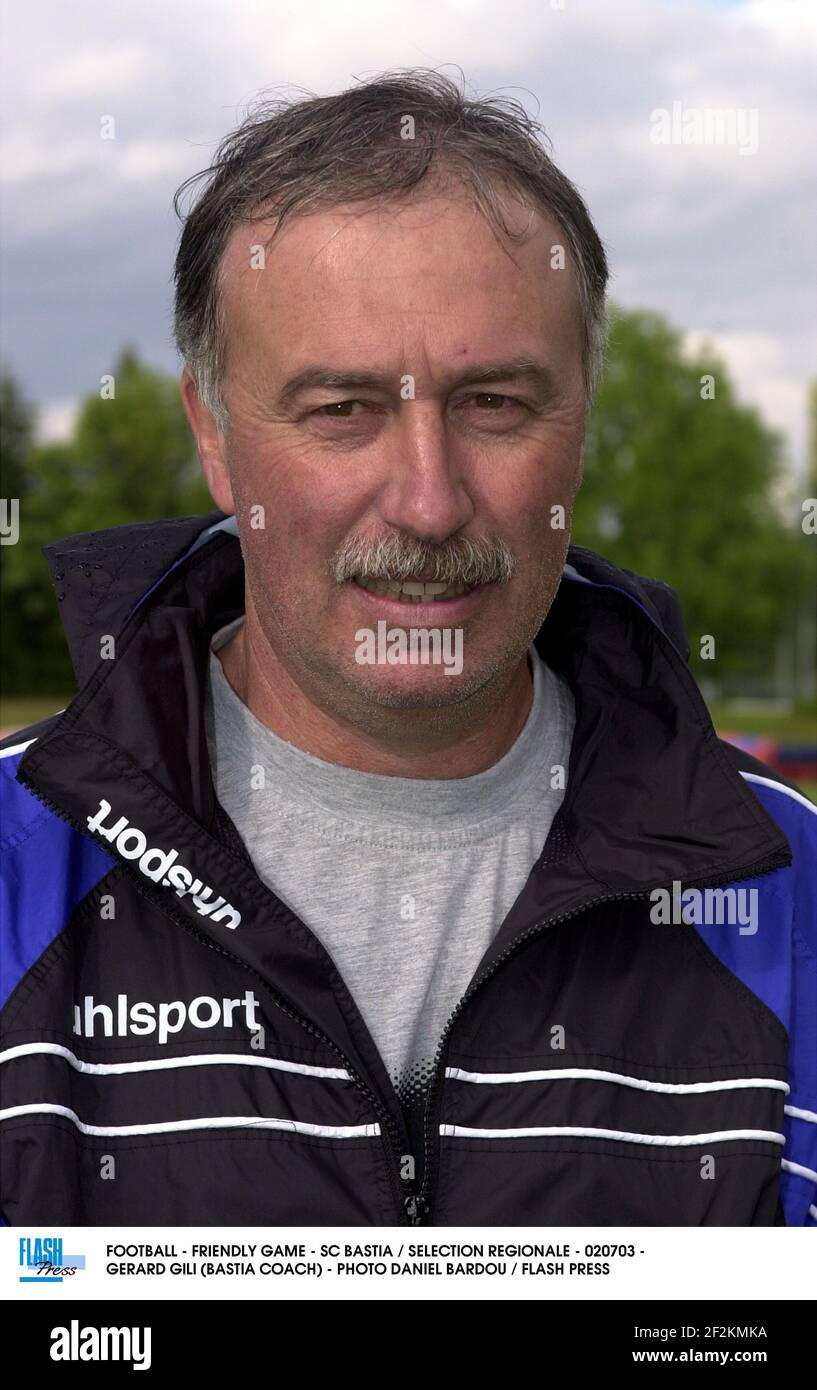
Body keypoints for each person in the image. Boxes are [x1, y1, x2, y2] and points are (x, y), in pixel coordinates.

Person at [1, 70, 814, 1227]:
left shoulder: (788, 892)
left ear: (581, 419)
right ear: (214, 437)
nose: (429, 504)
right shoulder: (16, 871)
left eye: (493, 404)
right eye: (342, 410)